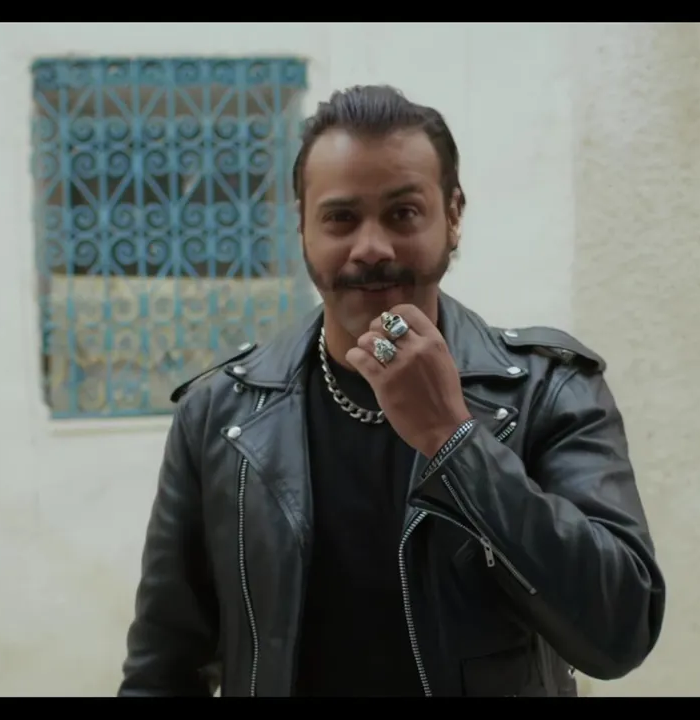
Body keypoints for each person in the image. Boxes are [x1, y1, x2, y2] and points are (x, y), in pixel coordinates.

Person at [118, 85, 666, 698]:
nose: (372, 248)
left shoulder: (550, 389)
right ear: (302, 227)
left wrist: (454, 441)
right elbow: (162, 667)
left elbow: (620, 630)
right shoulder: (219, 413)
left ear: (452, 216)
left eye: (403, 213)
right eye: (341, 218)